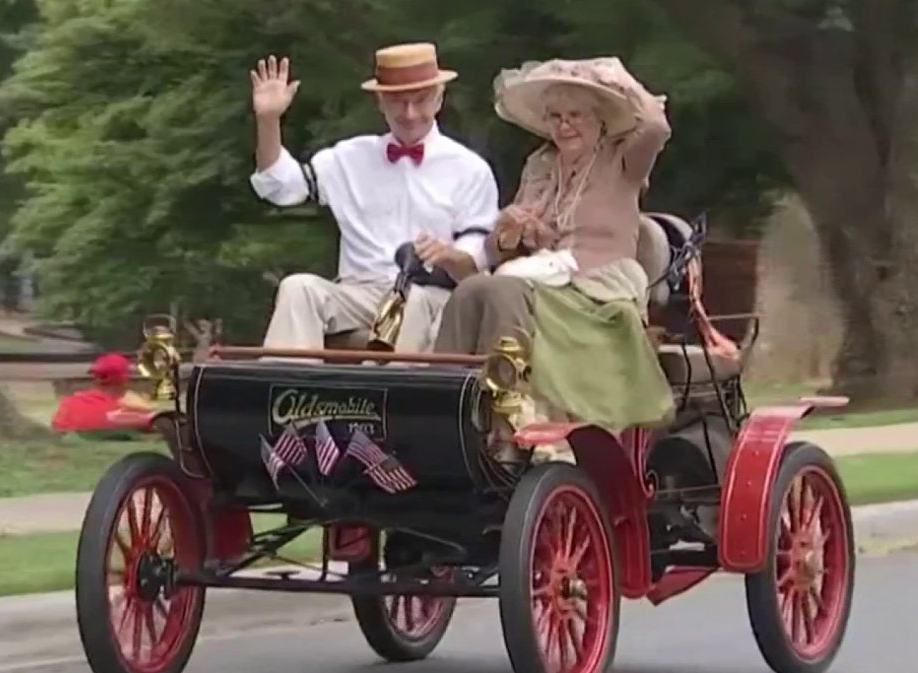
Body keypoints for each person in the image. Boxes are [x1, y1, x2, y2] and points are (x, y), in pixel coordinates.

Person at [434, 57, 740, 443]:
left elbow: (657, 128)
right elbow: (502, 255)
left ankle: (509, 413)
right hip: (542, 278)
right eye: (556, 116)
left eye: (576, 115)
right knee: (471, 290)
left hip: (601, 287)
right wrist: (510, 233)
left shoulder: (622, 159)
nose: (565, 125)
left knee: (501, 290)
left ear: (600, 119)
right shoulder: (540, 165)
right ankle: (444, 408)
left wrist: (620, 80)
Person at [249, 44, 499, 354]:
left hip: (430, 296)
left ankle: (385, 397)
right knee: (298, 287)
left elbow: (474, 266)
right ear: (380, 101)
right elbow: (278, 187)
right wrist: (269, 121)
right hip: (359, 292)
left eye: (420, 100)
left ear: (439, 97)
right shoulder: (349, 157)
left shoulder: (470, 169)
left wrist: (446, 255)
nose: (409, 114)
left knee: (416, 303)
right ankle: (287, 393)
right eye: (397, 101)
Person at [51, 353, 153, 435]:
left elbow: (56, 432)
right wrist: (147, 408)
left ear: (95, 377)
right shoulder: (129, 412)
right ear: (125, 380)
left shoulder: (68, 404)